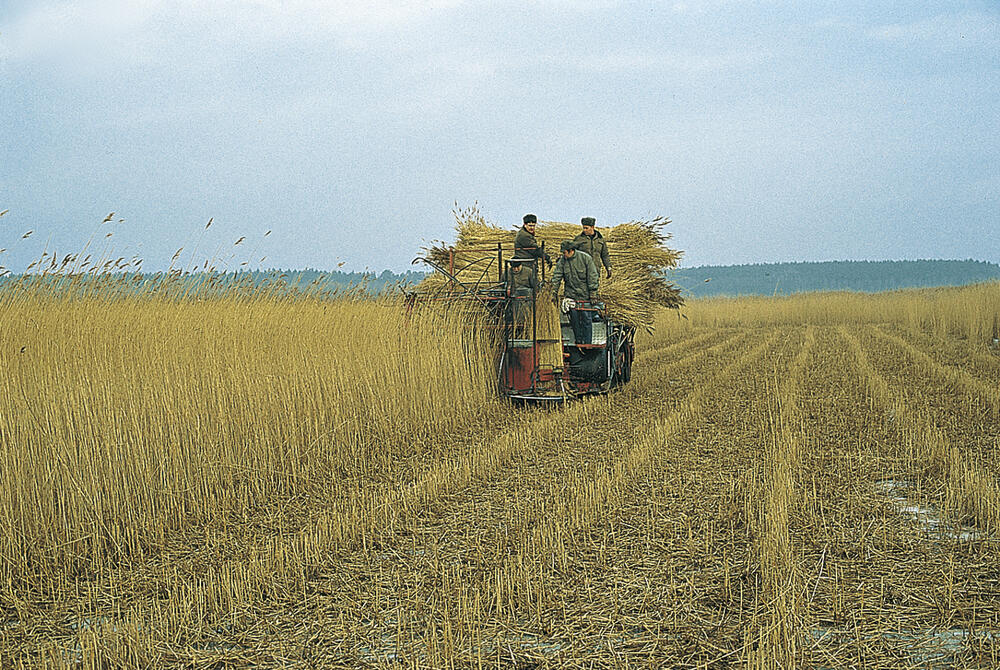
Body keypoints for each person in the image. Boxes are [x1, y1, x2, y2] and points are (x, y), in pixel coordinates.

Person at [550, 240, 599, 344]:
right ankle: (579, 341)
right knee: (574, 319)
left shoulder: (585, 258)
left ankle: (587, 343)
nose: (563, 255)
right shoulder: (562, 262)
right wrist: (553, 292)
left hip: (585, 296)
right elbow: (556, 277)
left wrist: (593, 293)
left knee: (586, 318)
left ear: (571, 251)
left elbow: (592, 276)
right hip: (571, 296)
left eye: (564, 252)